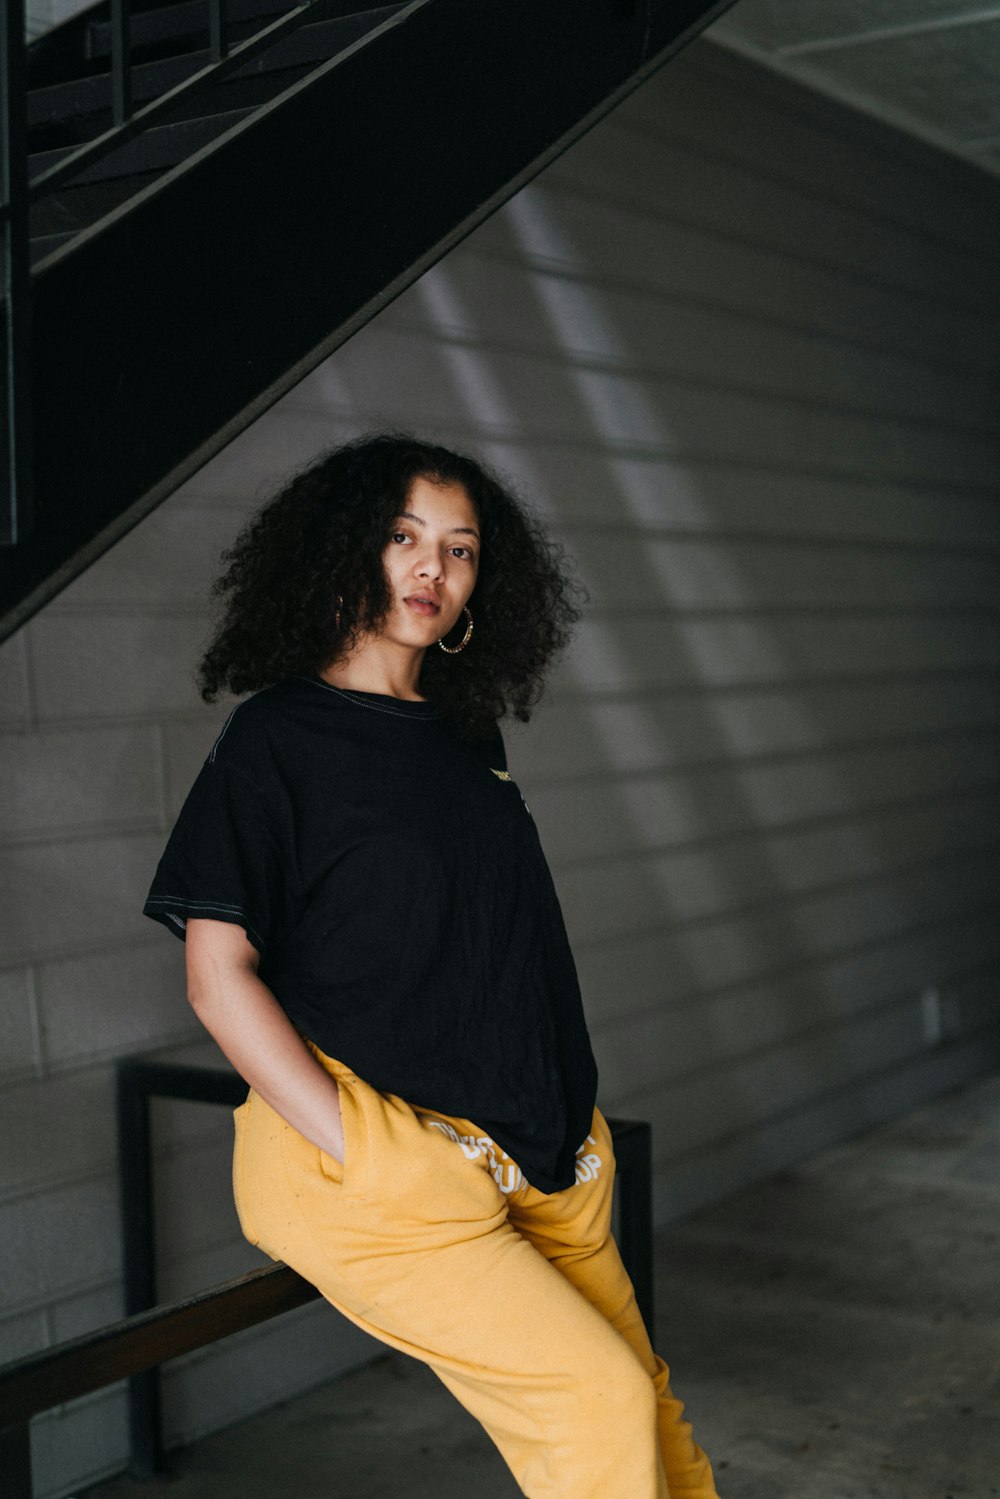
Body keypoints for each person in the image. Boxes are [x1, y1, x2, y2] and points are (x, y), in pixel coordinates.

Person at [143, 432, 720, 1498]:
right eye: (402, 536)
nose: (431, 569)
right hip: (381, 1158)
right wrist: (372, 1152)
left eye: (459, 549)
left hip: (537, 1144)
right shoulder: (276, 740)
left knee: (649, 1409)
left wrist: (563, 1121)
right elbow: (216, 976)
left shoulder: (464, 729)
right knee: (594, 1401)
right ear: (343, 551)